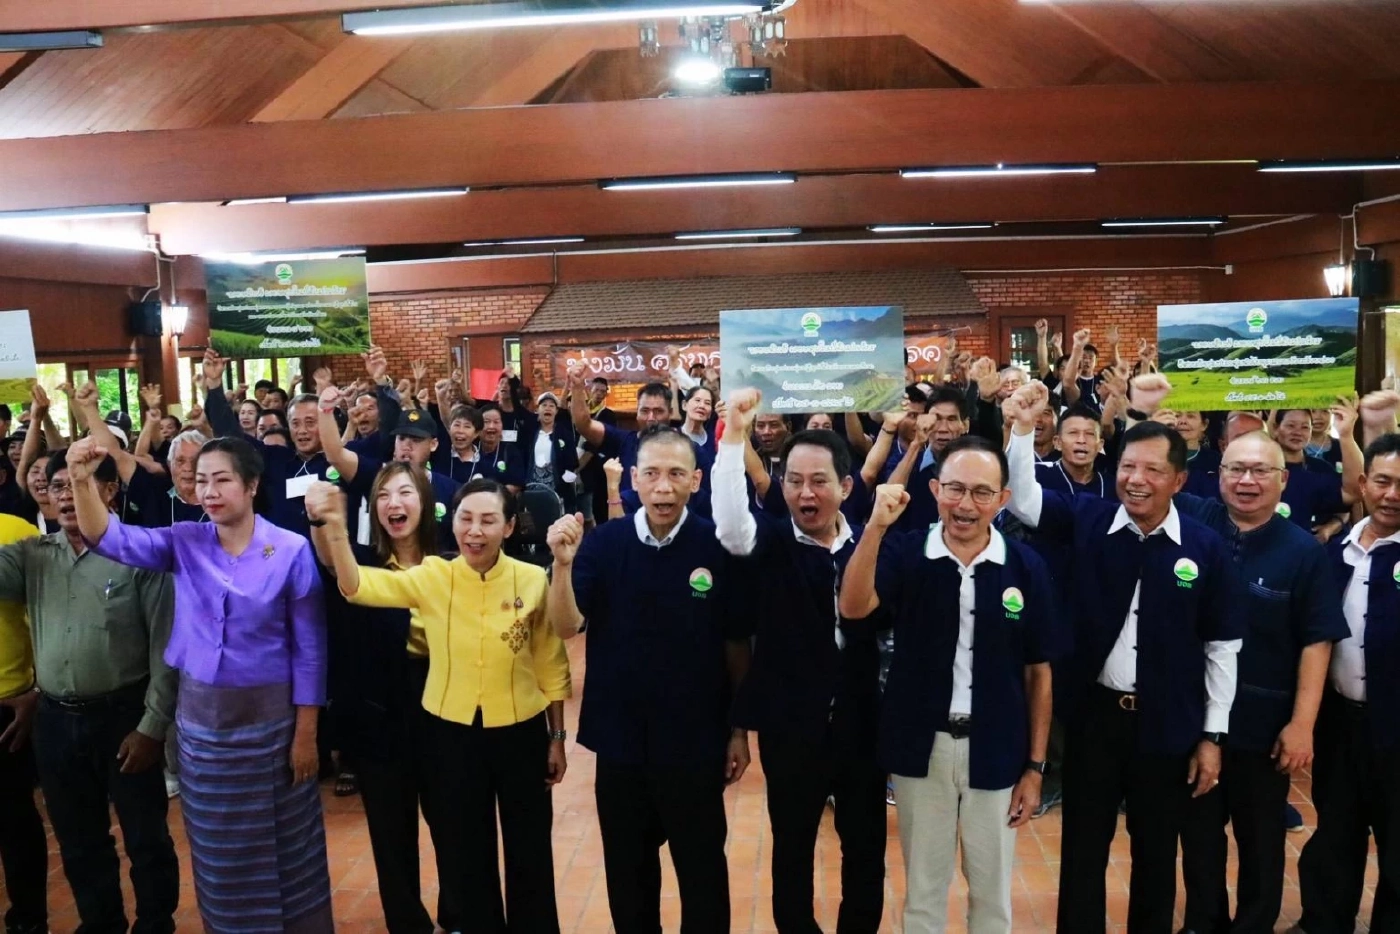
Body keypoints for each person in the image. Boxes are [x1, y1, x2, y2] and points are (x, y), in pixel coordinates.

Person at [1001, 380, 1245, 934]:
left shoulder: (1204, 548)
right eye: (1129, 466)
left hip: (1167, 725)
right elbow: (1028, 500)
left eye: (1153, 470)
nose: (1136, 480)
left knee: (1156, 852)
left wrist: (1212, 736)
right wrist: (1019, 430)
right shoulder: (1090, 520)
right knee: (1083, 846)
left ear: (1179, 480)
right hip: (1093, 720)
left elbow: (1222, 648)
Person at [67, 435, 334, 934]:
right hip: (202, 734)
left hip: (273, 730)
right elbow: (110, 538)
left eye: (222, 479)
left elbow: (311, 651)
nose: (208, 490)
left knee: (287, 848)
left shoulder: (291, 549)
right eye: (201, 480)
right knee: (219, 850)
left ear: (252, 485)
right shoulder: (185, 540)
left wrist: (305, 734)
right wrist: (82, 481)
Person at [315, 477, 571, 933]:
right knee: (467, 852)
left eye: (488, 520)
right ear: (451, 523)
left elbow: (550, 662)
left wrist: (556, 738)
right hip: (451, 736)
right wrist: (334, 527)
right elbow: (357, 587)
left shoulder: (533, 579)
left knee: (529, 848)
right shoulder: (434, 576)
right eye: (465, 519)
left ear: (509, 527)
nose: (475, 531)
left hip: (521, 732)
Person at [839, 435, 1061, 933]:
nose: (966, 504)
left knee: (992, 894)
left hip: (998, 749)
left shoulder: (1025, 567)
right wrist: (875, 527)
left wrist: (1034, 766)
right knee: (923, 891)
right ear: (935, 489)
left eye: (982, 493)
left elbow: (1039, 671)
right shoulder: (905, 552)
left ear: (1003, 500)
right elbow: (853, 608)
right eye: (955, 489)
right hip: (923, 748)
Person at [546, 426, 752, 933]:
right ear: (633, 479)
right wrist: (562, 566)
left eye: (676, 474)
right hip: (620, 745)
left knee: (703, 878)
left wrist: (738, 730)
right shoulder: (604, 545)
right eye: (653, 474)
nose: (663, 487)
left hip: (695, 744)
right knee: (629, 880)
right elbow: (566, 625)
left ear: (696, 480)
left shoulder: (715, 546)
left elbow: (735, 644)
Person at [713, 390, 888, 934]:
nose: (805, 492)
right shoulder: (766, 545)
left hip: (863, 728)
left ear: (846, 486)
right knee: (791, 850)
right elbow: (729, 522)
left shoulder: (875, 546)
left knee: (865, 853)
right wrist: (733, 437)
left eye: (818, 481)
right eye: (793, 481)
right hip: (791, 731)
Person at [1172, 428, 1350, 934]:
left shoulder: (1302, 553)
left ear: (1282, 480)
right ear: (1219, 475)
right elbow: (1146, 475)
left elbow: (1318, 642)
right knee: (1200, 835)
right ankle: (1203, 923)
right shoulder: (1195, 521)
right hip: (1197, 718)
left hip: (1263, 725)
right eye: (1235, 469)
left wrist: (1302, 724)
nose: (1246, 481)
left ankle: (1253, 924)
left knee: (1261, 839)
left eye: (1260, 472)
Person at [0, 448, 180, 934]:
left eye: (76, 484)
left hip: (124, 715)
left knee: (145, 838)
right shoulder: (33, 556)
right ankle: (102, 923)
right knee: (80, 840)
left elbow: (167, 649)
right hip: (56, 721)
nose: (65, 495)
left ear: (108, 492)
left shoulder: (141, 554)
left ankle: (155, 924)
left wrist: (152, 727)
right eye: (57, 486)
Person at [306, 462, 462, 934]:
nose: (395, 504)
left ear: (426, 503)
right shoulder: (361, 562)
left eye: (405, 493)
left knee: (455, 825)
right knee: (392, 835)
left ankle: (458, 916)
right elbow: (332, 563)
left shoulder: (456, 561)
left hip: (446, 708)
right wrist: (326, 521)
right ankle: (407, 924)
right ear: (374, 509)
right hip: (381, 713)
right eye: (384, 496)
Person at [1295, 432, 1400, 934]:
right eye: (1382, 481)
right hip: (1340, 721)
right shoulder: (1335, 551)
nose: (1392, 494)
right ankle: (1325, 921)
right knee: (1336, 829)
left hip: (1396, 726)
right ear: (1363, 483)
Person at [0, 513, 48, 934]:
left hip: (9, 704)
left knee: (15, 824)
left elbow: (46, 616)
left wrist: (38, 691)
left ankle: (29, 922)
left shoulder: (17, 532)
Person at [524, 392, 579, 511]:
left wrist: (564, 481)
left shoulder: (564, 434)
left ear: (556, 411)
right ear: (537, 410)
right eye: (544, 405)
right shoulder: (530, 433)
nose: (547, 408)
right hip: (533, 488)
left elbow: (572, 461)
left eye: (551, 406)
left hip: (558, 490)